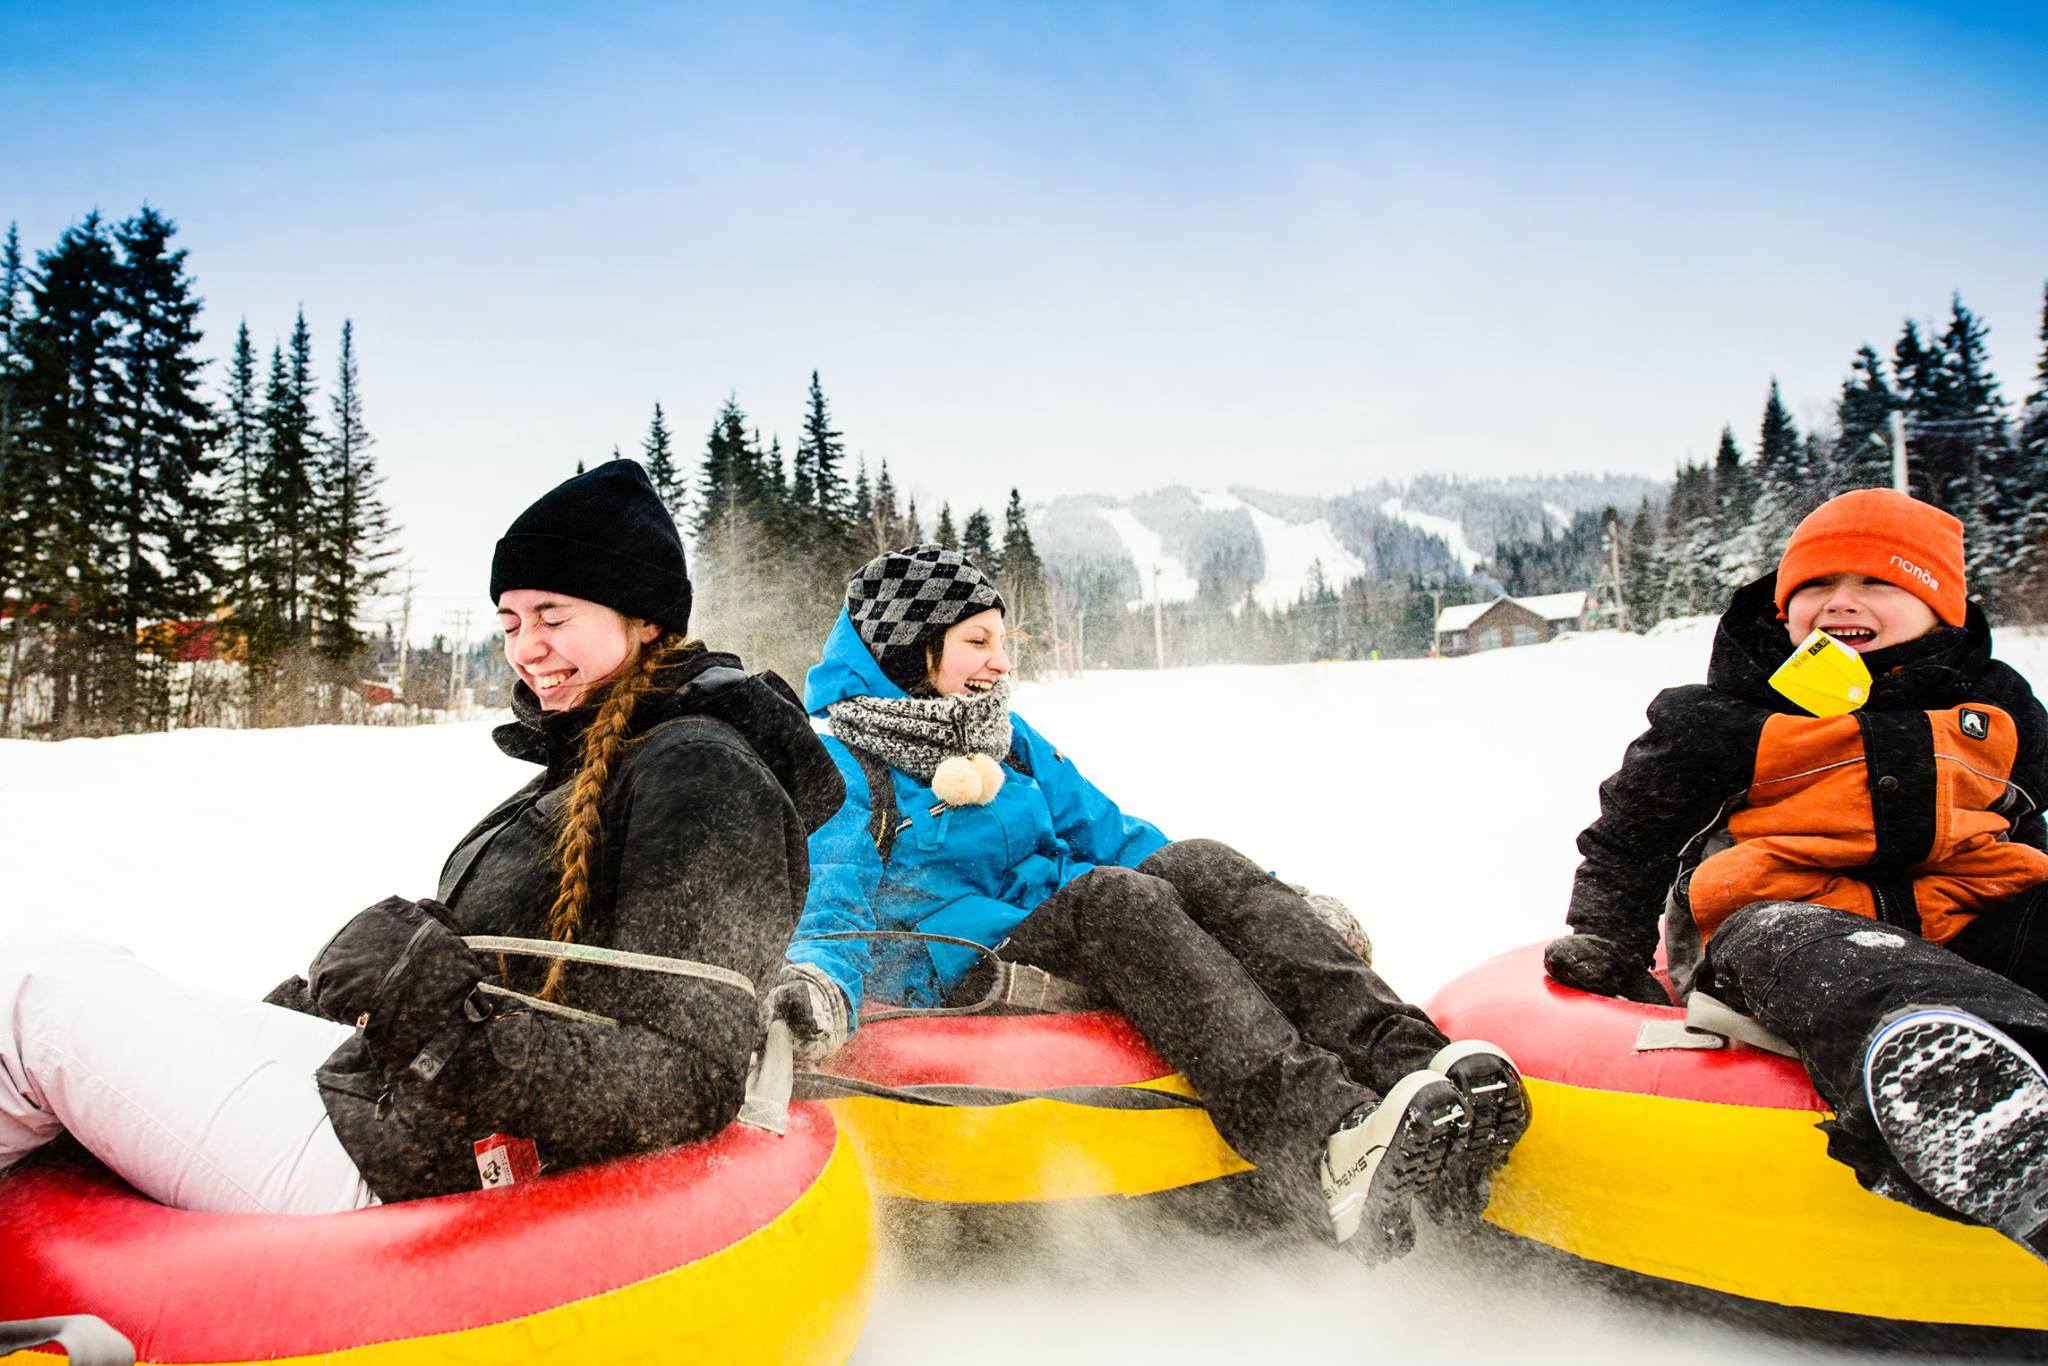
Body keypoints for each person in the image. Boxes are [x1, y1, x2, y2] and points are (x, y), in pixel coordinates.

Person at [0, 461, 841, 1212]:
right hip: (405, 1101)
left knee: (36, 1000)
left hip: (435, 1156)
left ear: (647, 620)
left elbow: (686, 1079)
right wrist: (356, 998)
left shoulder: (701, 773)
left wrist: (434, 1017)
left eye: (553, 615)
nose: (527, 649)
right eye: (510, 623)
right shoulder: (600, 757)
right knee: (91, 977)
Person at [771, 544, 1528, 1256]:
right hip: (966, 971)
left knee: (1193, 859)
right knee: (1114, 899)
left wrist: (1276, 906)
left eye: (1002, 639)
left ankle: (1414, 1066)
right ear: (908, 649)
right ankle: (1323, 1141)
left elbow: (1116, 835)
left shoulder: (1009, 737)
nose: (1000, 663)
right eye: (976, 642)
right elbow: (829, 901)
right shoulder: (841, 761)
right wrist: (815, 982)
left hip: (1078, 920)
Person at [1546, 488, 2048, 1259]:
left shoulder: (1997, 708)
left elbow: (2026, 820)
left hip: (1971, 923)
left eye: (1880, 582)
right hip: (1780, 935)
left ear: (1941, 606)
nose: (1841, 602)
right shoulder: (1721, 717)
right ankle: (1989, 1108)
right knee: (1804, 941)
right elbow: (1631, 835)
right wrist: (1605, 939)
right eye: (1815, 585)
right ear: (1785, 607)